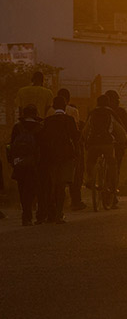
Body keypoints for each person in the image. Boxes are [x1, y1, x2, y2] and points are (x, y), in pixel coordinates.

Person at [38, 96, 80, 224]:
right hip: (66, 156)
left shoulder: (47, 121)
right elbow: (76, 137)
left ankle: (50, 213)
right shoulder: (69, 120)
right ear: (65, 106)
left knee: (51, 185)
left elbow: (42, 138)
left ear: (53, 107)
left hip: (50, 156)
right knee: (61, 185)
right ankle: (59, 214)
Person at [82, 95, 127, 207]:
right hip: (107, 143)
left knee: (90, 161)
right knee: (112, 163)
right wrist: (125, 140)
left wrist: (83, 140)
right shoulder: (111, 113)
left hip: (93, 143)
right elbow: (119, 129)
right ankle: (112, 185)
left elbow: (86, 129)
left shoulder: (92, 113)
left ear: (97, 103)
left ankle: (90, 179)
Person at [50, 89, 86, 211]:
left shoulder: (49, 112)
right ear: (67, 101)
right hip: (67, 150)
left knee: (52, 179)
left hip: (51, 150)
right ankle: (75, 201)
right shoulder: (73, 112)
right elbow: (75, 133)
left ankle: (51, 204)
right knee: (75, 175)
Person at [9, 105, 43, 226]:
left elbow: (11, 145)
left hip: (19, 163)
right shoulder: (39, 128)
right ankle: (29, 215)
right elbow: (42, 147)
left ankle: (26, 213)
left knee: (22, 189)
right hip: (33, 164)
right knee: (31, 189)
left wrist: (12, 161)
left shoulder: (17, 127)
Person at [104, 90, 127, 205]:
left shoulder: (97, 112)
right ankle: (113, 194)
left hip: (100, 144)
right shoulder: (120, 112)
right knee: (116, 169)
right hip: (118, 145)